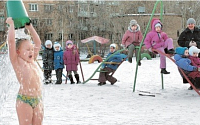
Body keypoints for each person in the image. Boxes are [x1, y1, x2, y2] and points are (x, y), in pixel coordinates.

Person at [6, 17, 43, 125]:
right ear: (18, 51)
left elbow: (38, 43)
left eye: (32, 49)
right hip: (24, 100)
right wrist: (11, 25)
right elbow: (11, 42)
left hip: (38, 100)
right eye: (27, 50)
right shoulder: (17, 62)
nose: (31, 51)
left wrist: (30, 27)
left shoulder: (32, 60)